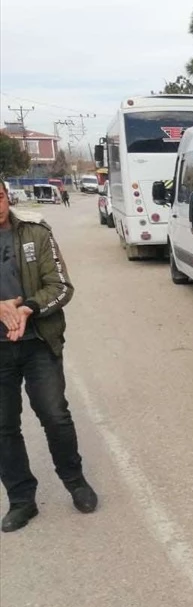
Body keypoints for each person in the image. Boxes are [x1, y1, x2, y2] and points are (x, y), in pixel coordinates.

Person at [0, 185, 98, 532]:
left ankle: (75, 482)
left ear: (6, 196)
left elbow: (60, 286)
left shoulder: (35, 233)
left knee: (55, 415)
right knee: (4, 427)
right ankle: (22, 501)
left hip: (38, 340)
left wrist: (26, 307)